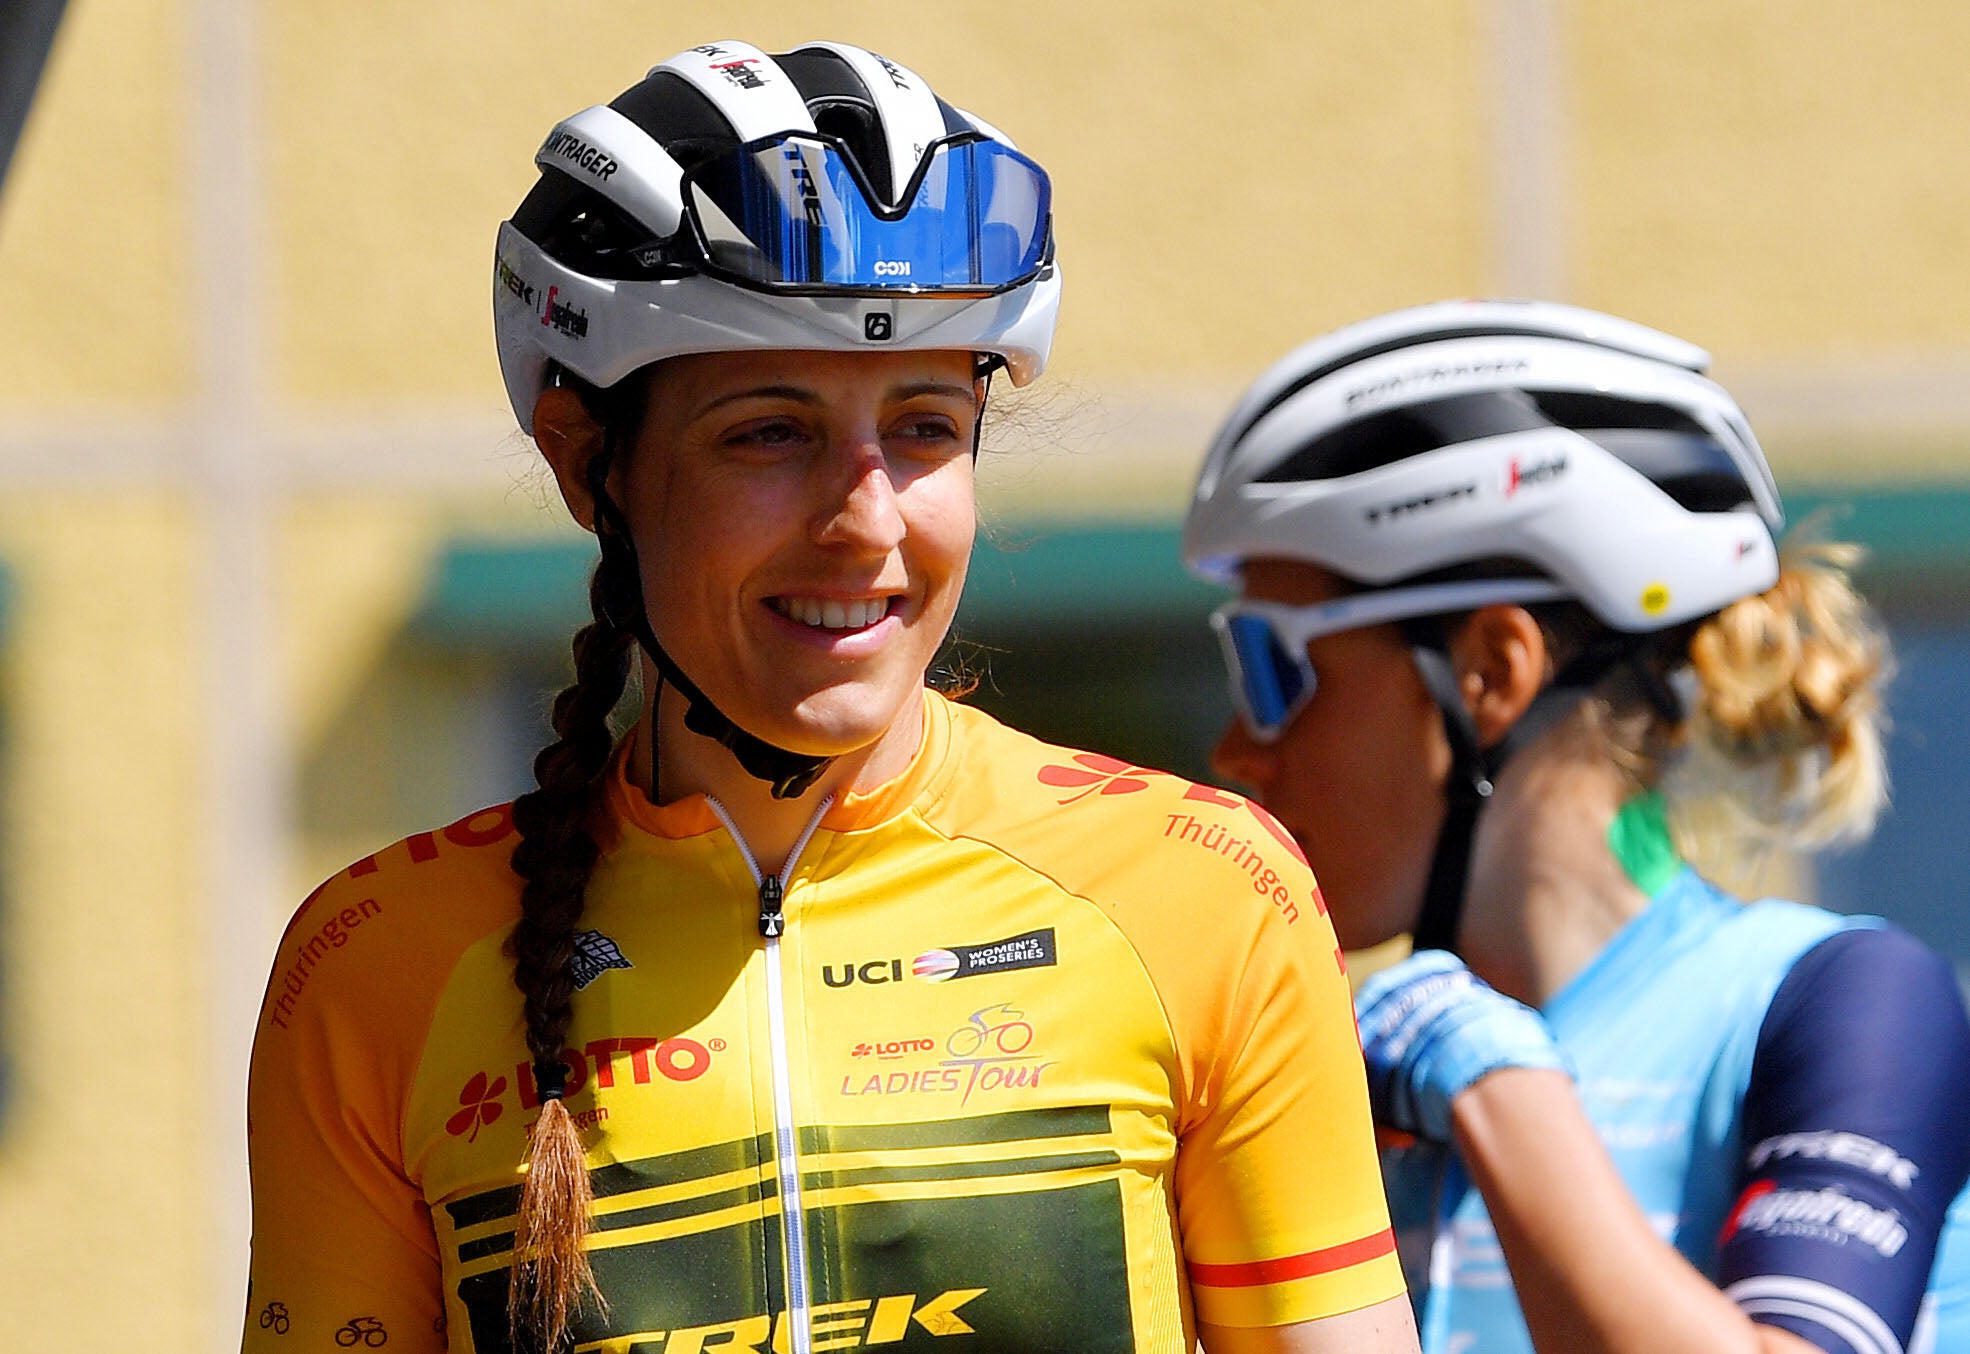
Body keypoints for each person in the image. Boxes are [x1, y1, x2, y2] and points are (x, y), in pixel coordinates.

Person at [242, 40, 1418, 1354]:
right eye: (768, 432)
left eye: (921, 426)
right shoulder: (376, 965)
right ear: (589, 469)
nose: (865, 522)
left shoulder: (1202, 888)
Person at [1181, 298, 1970, 1354]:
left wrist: (1489, 1081)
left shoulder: (1845, 1000)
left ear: (1488, 672)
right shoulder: (1343, 1062)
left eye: (1274, 670)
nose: (1236, 746)